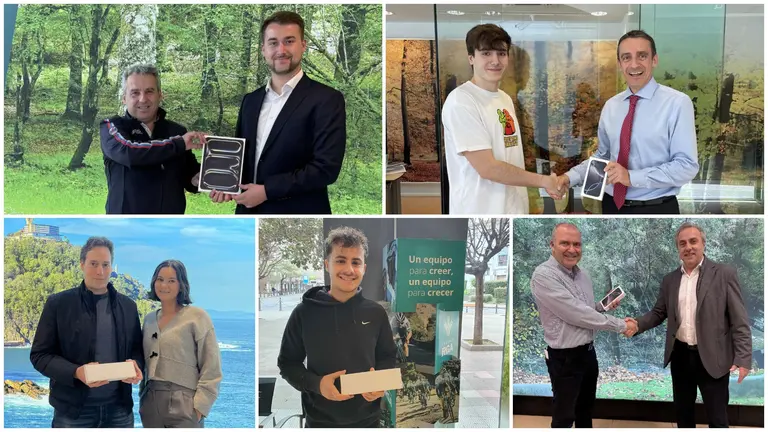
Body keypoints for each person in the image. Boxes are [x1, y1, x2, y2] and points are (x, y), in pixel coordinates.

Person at [210, 11, 346, 214]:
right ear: (263, 49)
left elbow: (326, 168)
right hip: (248, 215)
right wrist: (226, 184)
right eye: (273, 43)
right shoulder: (250, 101)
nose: (281, 50)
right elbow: (243, 159)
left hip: (299, 216)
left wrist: (267, 191)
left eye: (289, 41)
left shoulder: (327, 99)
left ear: (303, 45)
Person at [559, 30, 699, 214]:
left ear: (654, 60)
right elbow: (603, 158)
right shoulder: (611, 106)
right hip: (610, 205)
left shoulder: (678, 103)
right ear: (619, 64)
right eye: (626, 57)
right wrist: (569, 178)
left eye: (642, 56)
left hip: (656, 209)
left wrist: (631, 177)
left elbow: (686, 166)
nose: (634, 64)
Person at [628, 222, 752, 427]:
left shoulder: (724, 274)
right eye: (682, 243)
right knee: (683, 416)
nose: (688, 247)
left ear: (703, 244)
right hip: (681, 357)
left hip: (714, 358)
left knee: (718, 419)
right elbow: (659, 313)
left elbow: (739, 320)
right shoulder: (670, 280)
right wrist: (637, 324)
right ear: (678, 248)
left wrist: (744, 358)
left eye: (693, 241)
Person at [277, 227, 397, 427]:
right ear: (327, 265)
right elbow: (287, 364)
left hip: (369, 422)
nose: (349, 270)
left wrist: (380, 383)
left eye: (356, 262)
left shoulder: (376, 313)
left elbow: (387, 356)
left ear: (364, 268)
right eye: (340, 260)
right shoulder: (304, 312)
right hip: (319, 422)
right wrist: (317, 384)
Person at [441, 24, 562, 215]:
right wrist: (543, 181)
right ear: (471, 58)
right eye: (486, 53)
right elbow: (488, 168)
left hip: (513, 209)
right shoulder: (462, 101)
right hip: (481, 213)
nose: (495, 61)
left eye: (501, 53)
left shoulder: (504, 98)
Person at [30, 237, 143, 428]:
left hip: (119, 412)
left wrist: (136, 365)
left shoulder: (129, 306)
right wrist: (76, 372)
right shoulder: (58, 304)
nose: (100, 271)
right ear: (82, 264)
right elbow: (39, 356)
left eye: (106, 264)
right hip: (73, 413)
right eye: (94, 264)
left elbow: (137, 351)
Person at [530, 223, 635, 428]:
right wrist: (621, 325)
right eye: (565, 243)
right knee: (564, 416)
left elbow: (586, 310)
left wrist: (603, 307)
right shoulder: (543, 276)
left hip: (588, 354)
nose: (572, 249)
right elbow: (576, 314)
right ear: (552, 245)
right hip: (565, 359)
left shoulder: (583, 274)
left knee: (585, 411)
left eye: (577, 244)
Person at [100, 64, 206, 214]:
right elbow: (130, 153)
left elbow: (189, 176)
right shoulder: (112, 127)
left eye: (149, 91)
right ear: (124, 98)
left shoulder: (177, 131)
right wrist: (179, 144)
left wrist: (212, 181)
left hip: (169, 226)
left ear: (160, 95)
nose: (143, 99)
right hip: (125, 225)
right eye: (135, 93)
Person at [140, 259, 222, 428]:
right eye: (160, 279)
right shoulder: (148, 320)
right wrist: (143, 396)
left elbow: (211, 366)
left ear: (181, 285)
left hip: (185, 403)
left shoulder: (197, 317)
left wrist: (200, 406)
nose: (164, 285)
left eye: (171, 281)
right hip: (150, 402)